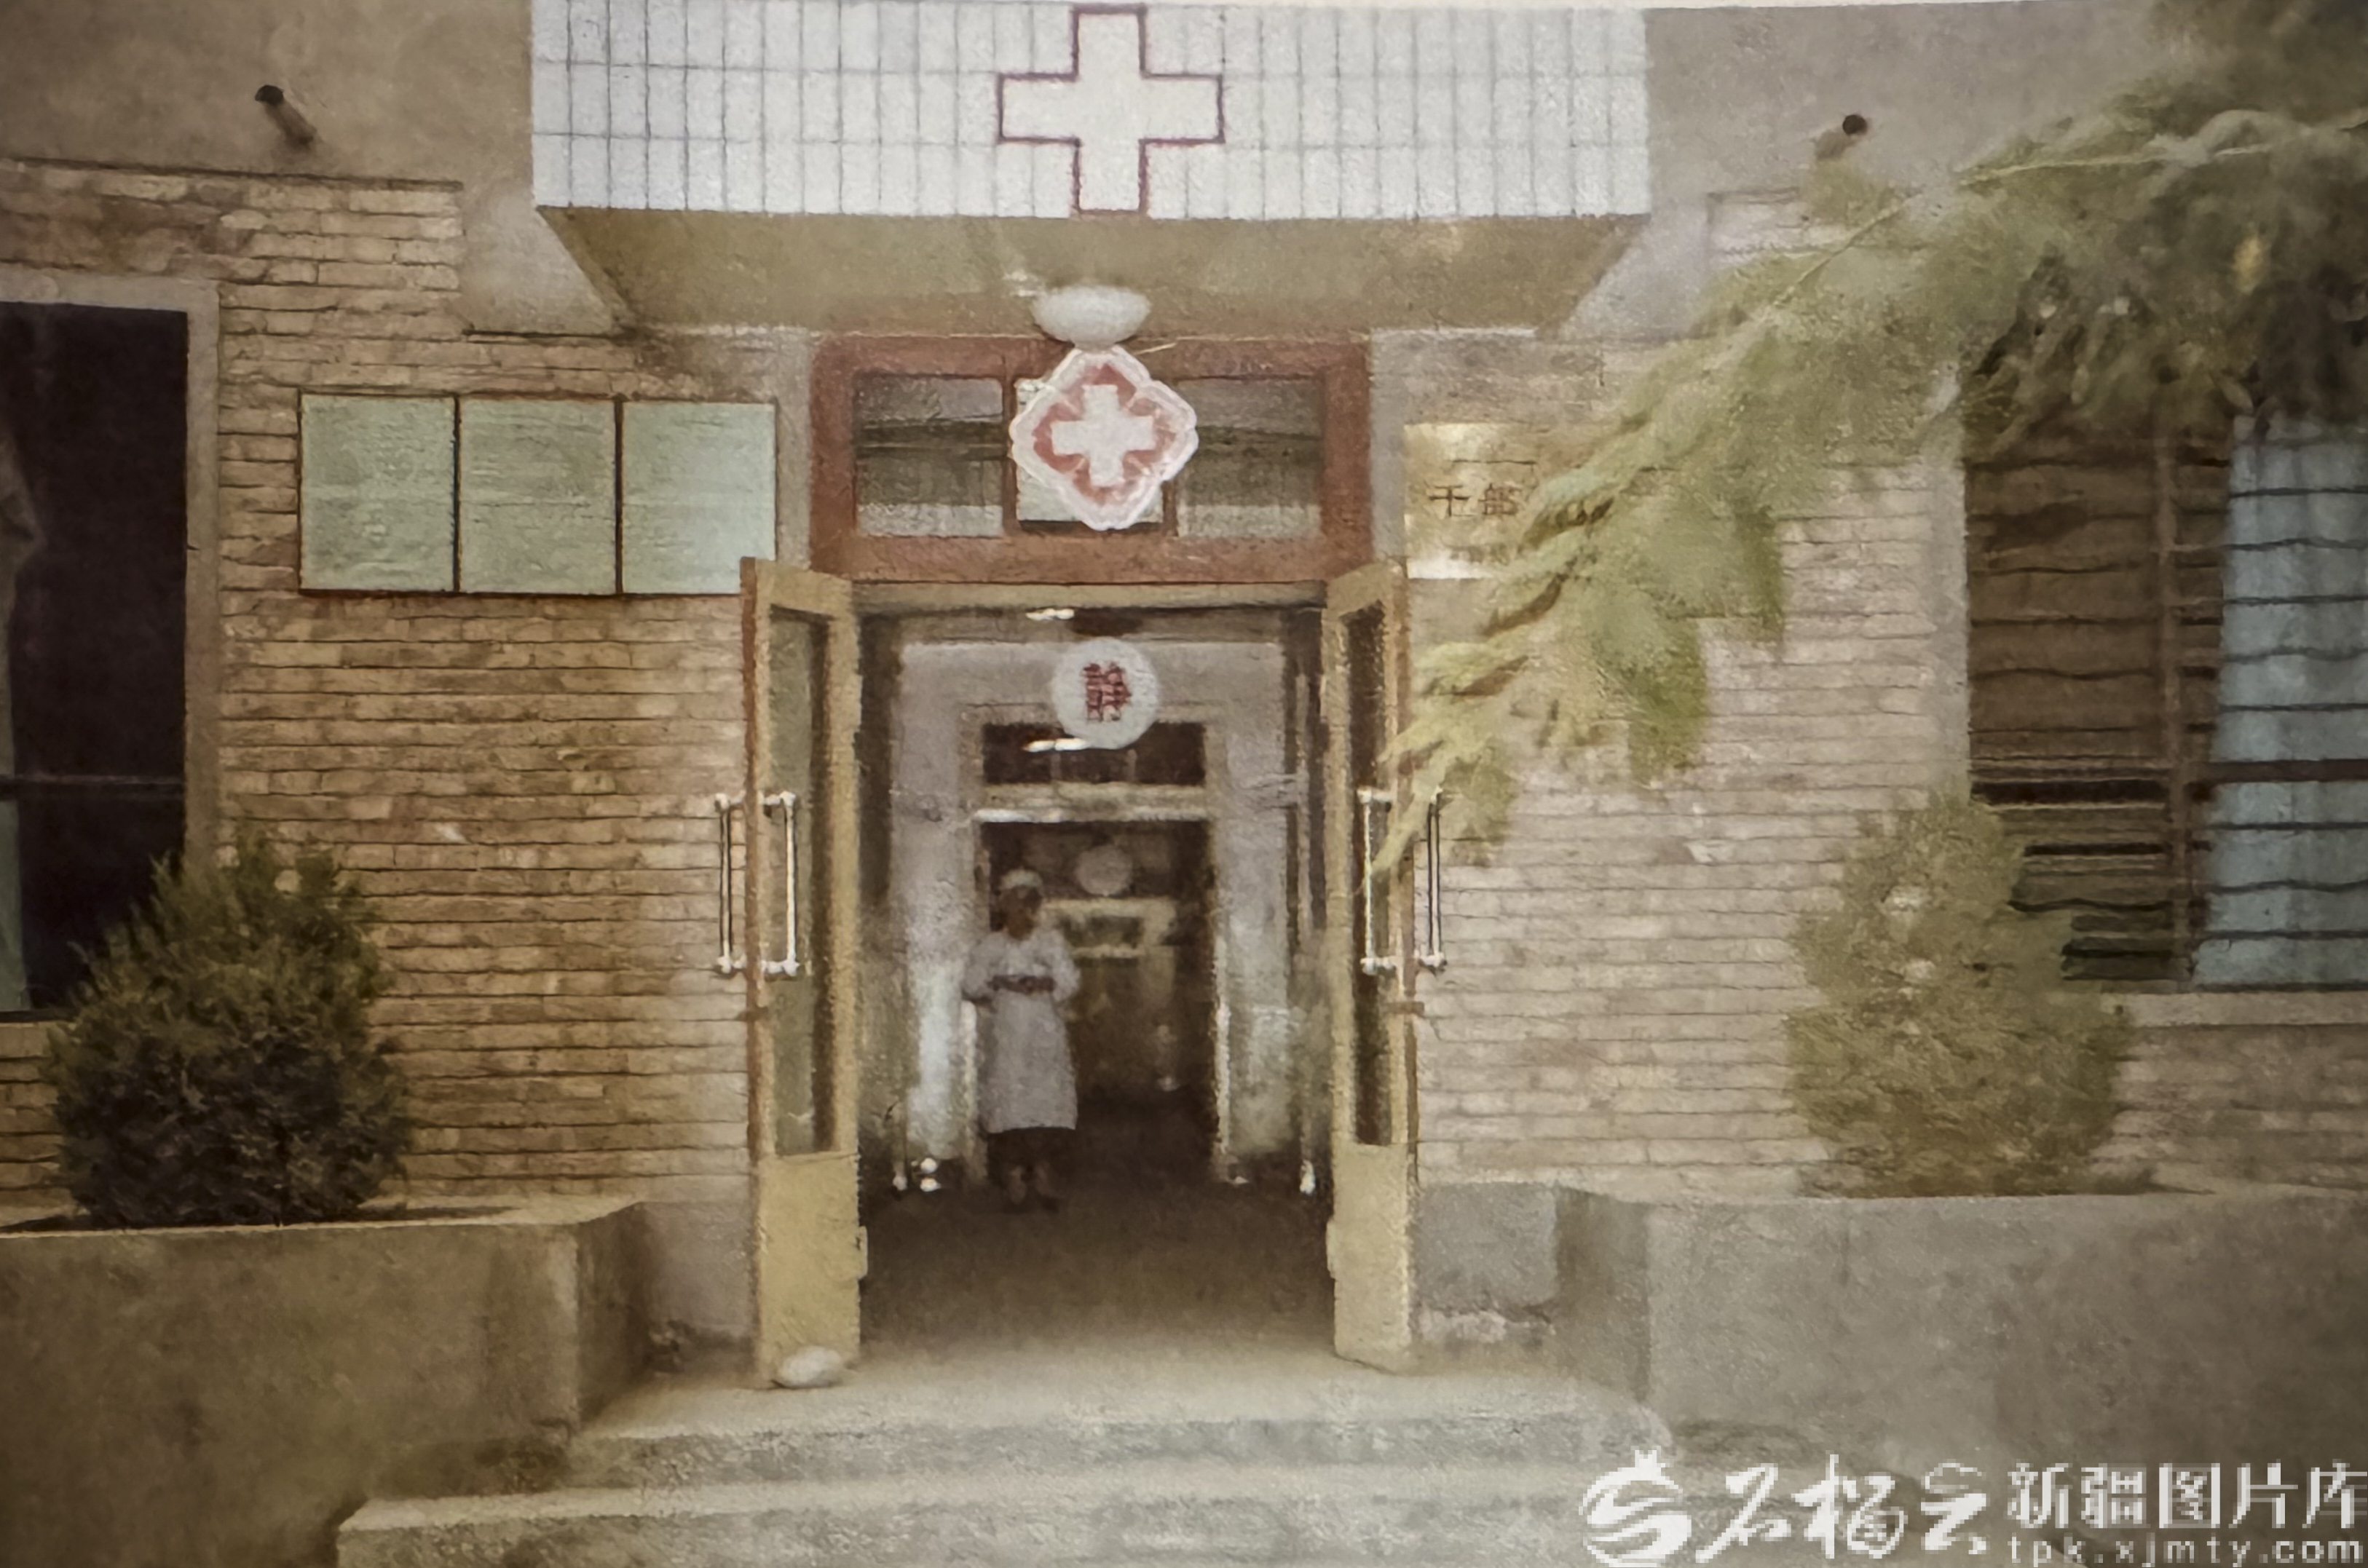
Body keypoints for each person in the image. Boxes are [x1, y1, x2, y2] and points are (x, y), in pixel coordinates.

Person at [960, 868, 1081, 1212]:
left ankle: (1043, 1176)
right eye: (1014, 902)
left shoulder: (1050, 941)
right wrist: (1001, 982)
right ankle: (1014, 1179)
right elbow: (971, 985)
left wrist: (1044, 983)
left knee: (1046, 1107)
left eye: (1028, 902)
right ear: (1004, 905)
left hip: (1045, 1036)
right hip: (1007, 1035)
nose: (1020, 909)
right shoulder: (991, 945)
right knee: (1009, 1108)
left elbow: (1070, 981)